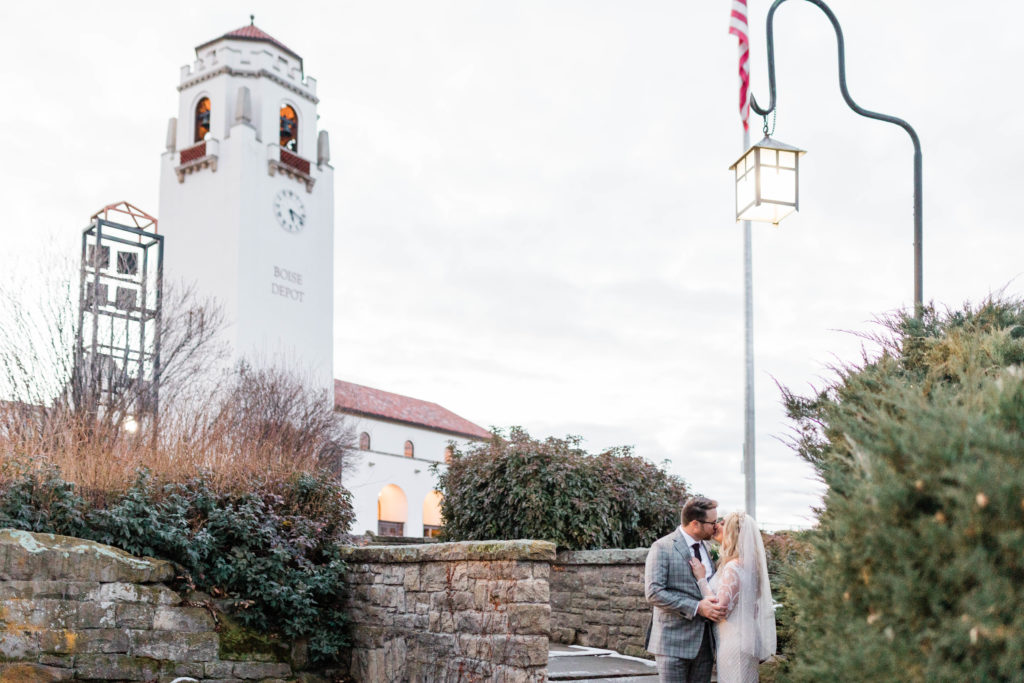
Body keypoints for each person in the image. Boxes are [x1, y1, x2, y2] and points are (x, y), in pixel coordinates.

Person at [645, 496, 727, 682]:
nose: (716, 527)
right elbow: (654, 592)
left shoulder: (707, 547)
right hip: (673, 644)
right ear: (695, 524)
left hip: (705, 645)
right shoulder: (662, 547)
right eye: (712, 522)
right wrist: (697, 607)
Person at [688, 512, 777, 683]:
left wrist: (701, 579)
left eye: (722, 523)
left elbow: (721, 610)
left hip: (734, 642)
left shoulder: (733, 567)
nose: (716, 525)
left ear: (732, 533)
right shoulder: (750, 567)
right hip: (747, 638)